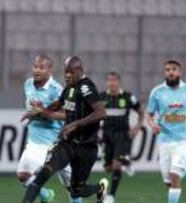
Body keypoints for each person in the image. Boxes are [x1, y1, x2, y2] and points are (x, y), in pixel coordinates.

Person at [21, 56, 109, 203]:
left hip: (86, 147)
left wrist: (76, 124)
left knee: (76, 191)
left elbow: (101, 113)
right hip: (67, 143)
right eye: (66, 72)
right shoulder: (69, 87)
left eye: (71, 72)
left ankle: (100, 188)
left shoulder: (85, 87)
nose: (67, 75)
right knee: (43, 173)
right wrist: (39, 112)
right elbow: (58, 104)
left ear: (80, 71)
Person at [19, 54, 82, 203]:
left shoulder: (57, 90)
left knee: (72, 186)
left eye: (42, 67)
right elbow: (35, 108)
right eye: (35, 66)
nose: (37, 70)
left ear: (49, 70)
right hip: (36, 142)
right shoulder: (28, 84)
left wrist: (45, 113)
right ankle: (45, 195)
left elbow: (69, 114)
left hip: (55, 142)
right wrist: (32, 114)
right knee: (23, 176)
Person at [146, 59, 186, 203]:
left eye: (174, 69)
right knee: (168, 181)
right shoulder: (157, 92)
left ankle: (182, 169)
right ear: (164, 73)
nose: (170, 72)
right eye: (167, 70)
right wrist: (153, 124)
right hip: (165, 140)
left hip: (184, 140)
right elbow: (149, 114)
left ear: (180, 72)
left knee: (174, 175)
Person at [99, 71, 144, 203]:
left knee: (116, 165)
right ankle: (126, 161)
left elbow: (141, 112)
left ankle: (111, 196)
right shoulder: (101, 97)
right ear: (107, 82)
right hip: (106, 134)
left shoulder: (128, 97)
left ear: (119, 82)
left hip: (122, 134)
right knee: (108, 168)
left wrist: (137, 127)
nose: (112, 83)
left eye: (114, 80)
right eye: (109, 80)